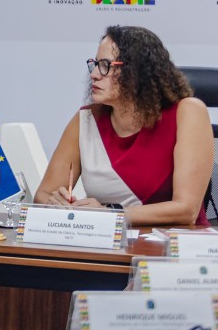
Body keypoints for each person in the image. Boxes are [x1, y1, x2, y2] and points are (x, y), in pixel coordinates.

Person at [35, 25, 213, 226]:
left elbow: (186, 209)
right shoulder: (86, 119)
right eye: (95, 64)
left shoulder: (187, 112)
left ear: (137, 73)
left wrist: (110, 214)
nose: (94, 74)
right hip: (110, 241)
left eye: (105, 65)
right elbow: (43, 194)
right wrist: (57, 204)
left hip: (176, 242)